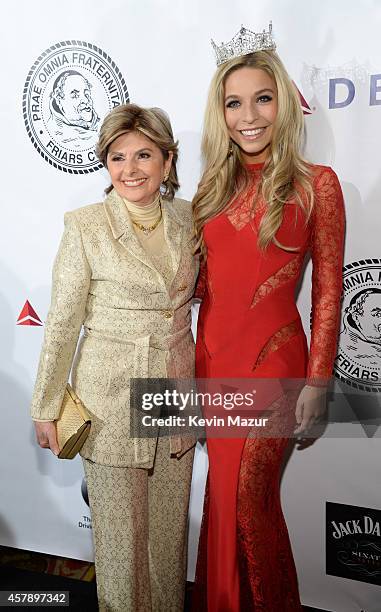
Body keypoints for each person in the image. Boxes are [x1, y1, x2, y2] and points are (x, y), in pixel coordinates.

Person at [191, 25, 345, 611]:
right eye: (234, 102)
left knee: (250, 504)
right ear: (220, 112)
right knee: (221, 502)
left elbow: (328, 292)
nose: (248, 115)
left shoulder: (317, 186)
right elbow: (202, 287)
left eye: (262, 98)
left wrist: (317, 382)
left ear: (283, 103)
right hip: (212, 362)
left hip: (275, 363)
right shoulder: (211, 187)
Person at [31, 103, 197, 612]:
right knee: (122, 551)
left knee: (168, 544)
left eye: (144, 155)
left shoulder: (192, 218)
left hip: (174, 394)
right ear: (105, 164)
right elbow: (61, 322)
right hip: (110, 399)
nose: (130, 169)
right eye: (117, 156)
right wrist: (46, 404)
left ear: (167, 162)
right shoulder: (86, 226)